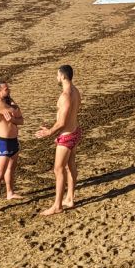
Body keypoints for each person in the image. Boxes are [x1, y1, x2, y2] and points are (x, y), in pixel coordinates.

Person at [35, 65, 82, 216]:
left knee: (58, 169)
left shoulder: (66, 95)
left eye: (57, 75)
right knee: (71, 165)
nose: (56, 78)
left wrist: (49, 131)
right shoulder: (76, 91)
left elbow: (62, 122)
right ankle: (69, 198)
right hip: (74, 132)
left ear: (62, 76)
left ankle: (57, 206)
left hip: (66, 137)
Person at [0, 81, 24, 214]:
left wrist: (14, 119)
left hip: (13, 141)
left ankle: (10, 193)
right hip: (3, 143)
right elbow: (16, 111)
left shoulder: (8, 101)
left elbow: (21, 120)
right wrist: (15, 109)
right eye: (6, 89)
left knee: (11, 169)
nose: (8, 91)